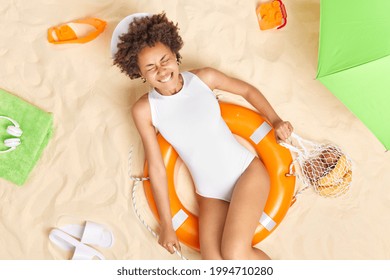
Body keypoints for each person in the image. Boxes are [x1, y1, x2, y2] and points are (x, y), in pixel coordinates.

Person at [112, 12, 293, 260]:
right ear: (140, 73)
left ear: (175, 55)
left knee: (234, 253)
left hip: (246, 173)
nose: (161, 70)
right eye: (150, 67)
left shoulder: (204, 78)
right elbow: (156, 166)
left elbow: (247, 91)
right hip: (210, 194)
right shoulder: (144, 110)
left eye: (165, 60)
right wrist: (167, 224)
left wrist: (275, 120)